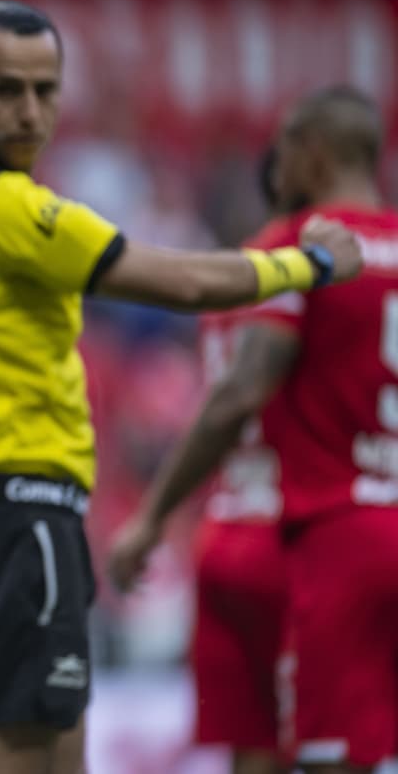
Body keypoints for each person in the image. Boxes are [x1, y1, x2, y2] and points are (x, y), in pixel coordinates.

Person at [0, 0, 362, 774]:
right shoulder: (8, 206)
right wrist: (308, 266)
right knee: (25, 760)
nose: (29, 111)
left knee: (13, 750)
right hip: (21, 518)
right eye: (6, 89)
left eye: (44, 90)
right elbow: (182, 280)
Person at [116, 85, 398, 774]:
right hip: (380, 510)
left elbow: (239, 392)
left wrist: (152, 516)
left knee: (296, 753)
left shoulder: (292, 251)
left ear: (309, 152)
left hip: (293, 527)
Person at [107, 145, 295, 774]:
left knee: (253, 745)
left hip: (226, 524)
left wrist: (155, 515)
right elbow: (240, 398)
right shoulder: (304, 279)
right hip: (293, 531)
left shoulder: (223, 296)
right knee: (319, 742)